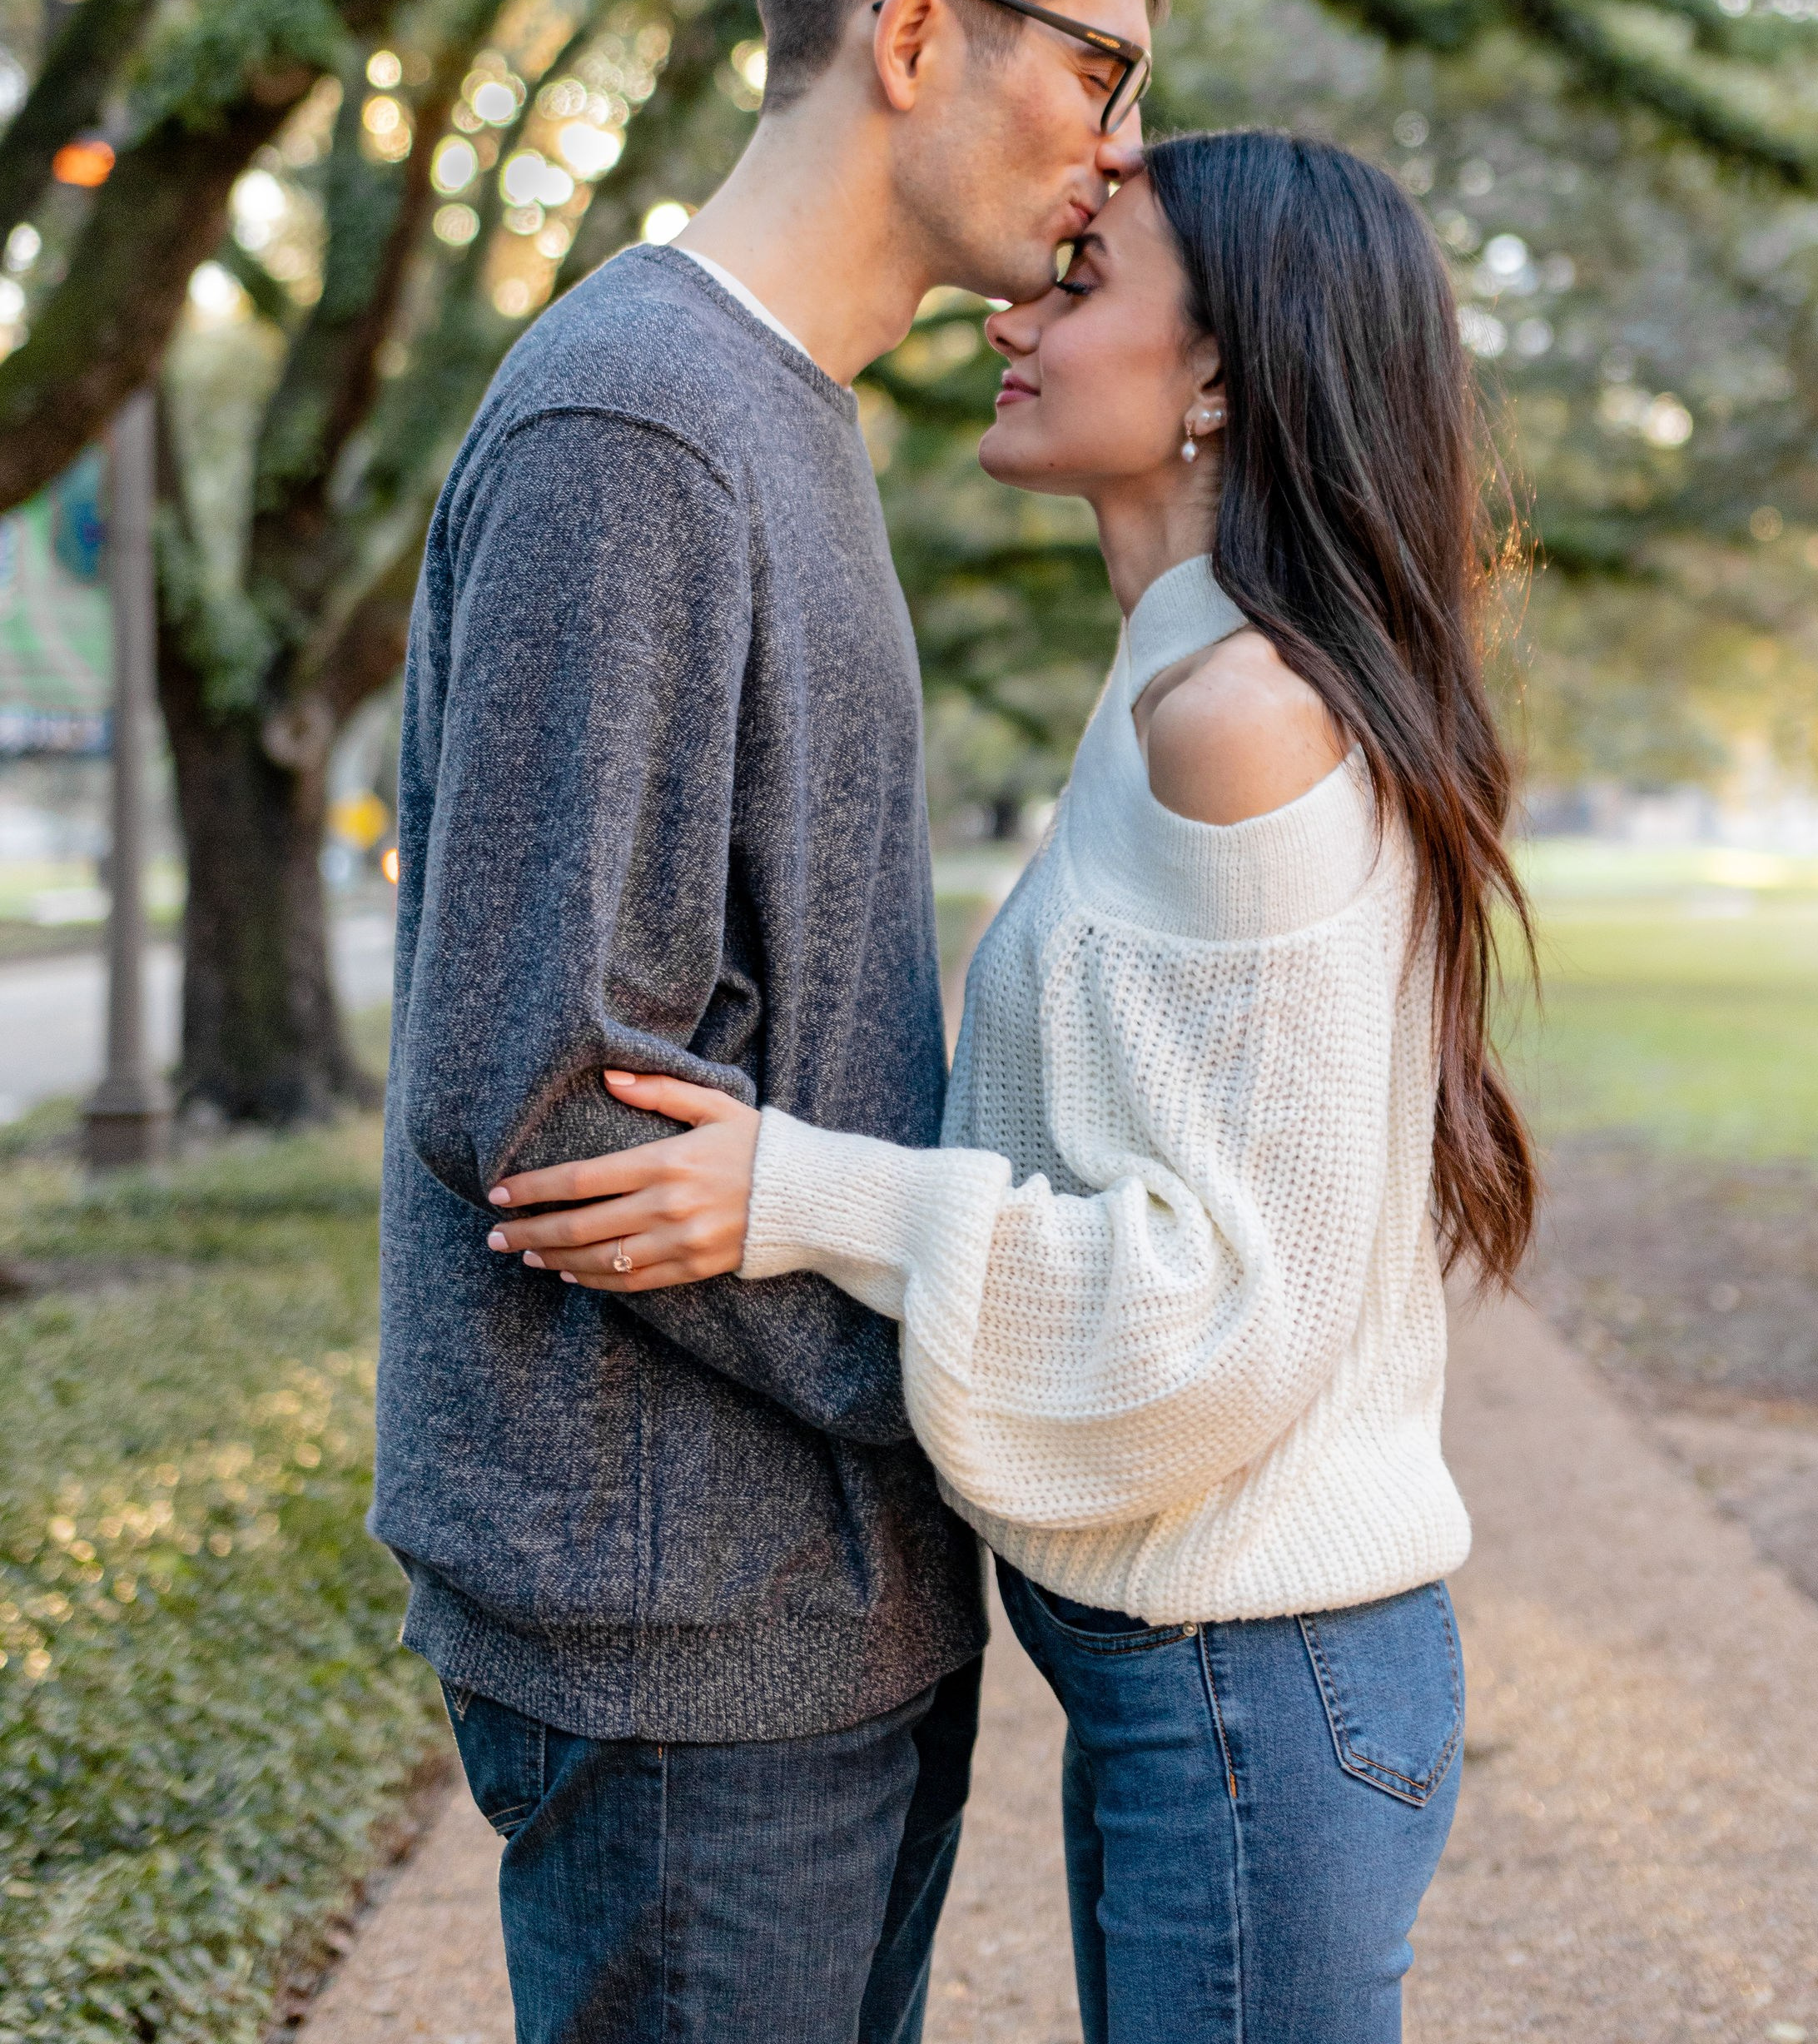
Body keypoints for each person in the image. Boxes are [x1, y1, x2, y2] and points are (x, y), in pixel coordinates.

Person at [485, 125, 1541, 2044]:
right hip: (1214, 1681)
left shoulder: (1245, 723)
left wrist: (802, 1193)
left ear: (1217, 378)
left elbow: (1228, 1301)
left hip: (1254, 1686)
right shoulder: (1185, 685)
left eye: (1082, 282)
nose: (1008, 316)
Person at [371, 0, 1195, 2044]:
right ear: (912, 35)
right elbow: (553, 1097)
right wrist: (948, 1351)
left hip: (816, 1594)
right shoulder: (639, 425)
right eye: (1099, 67)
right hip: (680, 1618)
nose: (1123, 147)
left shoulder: (784, 418)